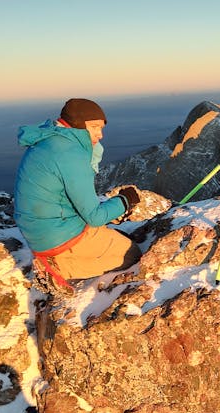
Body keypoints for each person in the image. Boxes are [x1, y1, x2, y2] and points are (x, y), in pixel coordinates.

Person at [14, 98, 141, 288]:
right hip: (57, 237)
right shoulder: (70, 154)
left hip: (39, 230)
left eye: (102, 127)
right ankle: (61, 270)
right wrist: (125, 200)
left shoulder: (50, 140)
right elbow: (95, 217)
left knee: (119, 237)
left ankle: (57, 259)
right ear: (78, 124)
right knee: (132, 254)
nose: (101, 134)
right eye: (95, 127)